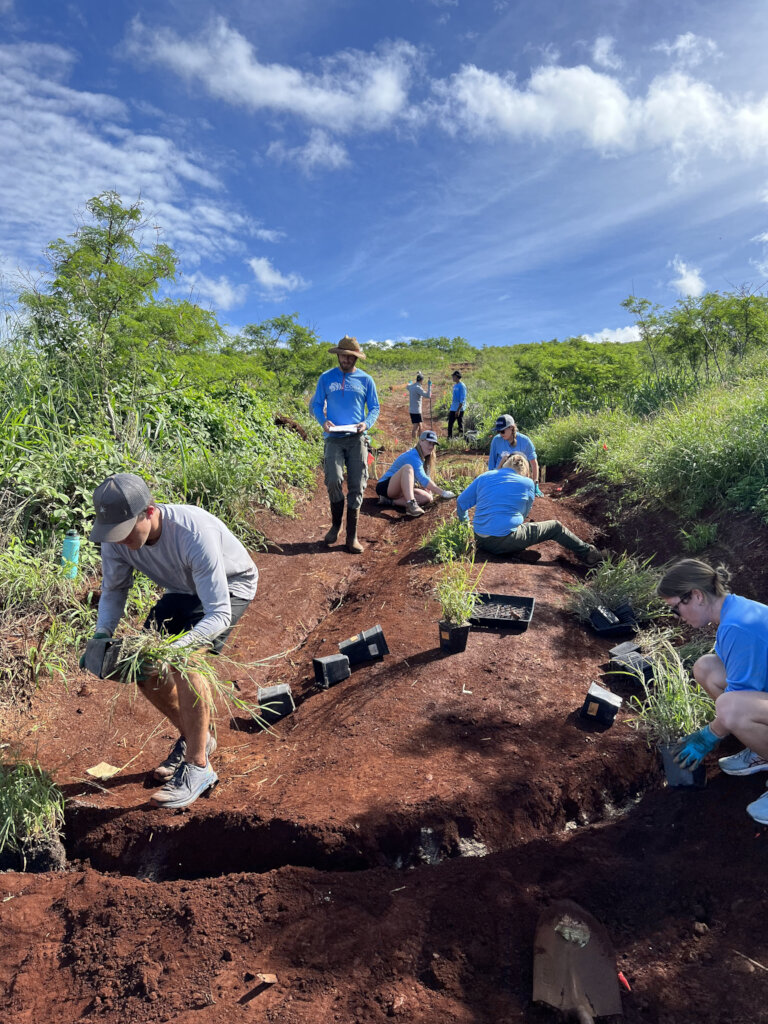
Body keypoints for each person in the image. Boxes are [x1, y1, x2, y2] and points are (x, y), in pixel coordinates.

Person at [83, 472, 258, 809]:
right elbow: (114, 590)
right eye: (113, 535)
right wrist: (102, 635)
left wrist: (174, 649)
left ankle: (197, 766)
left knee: (186, 661)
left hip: (231, 587)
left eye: (126, 532)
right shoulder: (115, 540)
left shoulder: (193, 533)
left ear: (149, 511)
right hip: (182, 589)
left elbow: (219, 612)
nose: (120, 542)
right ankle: (200, 738)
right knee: (142, 666)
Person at [657, 559, 768, 825]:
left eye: (676, 609)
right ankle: (762, 750)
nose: (678, 617)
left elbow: (738, 699)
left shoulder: (737, 626)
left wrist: (708, 735)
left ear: (696, 596)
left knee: (731, 708)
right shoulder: (734, 611)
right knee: (707, 667)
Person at [455, 453, 605, 564]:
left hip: (480, 539)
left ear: (505, 464)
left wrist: (465, 525)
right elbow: (524, 513)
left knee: (511, 531)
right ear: (524, 471)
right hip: (504, 539)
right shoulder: (527, 483)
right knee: (555, 527)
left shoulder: (485, 476)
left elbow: (461, 502)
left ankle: (514, 552)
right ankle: (589, 554)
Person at [310, 335, 380, 554]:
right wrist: (324, 421)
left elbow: (375, 407)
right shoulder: (326, 378)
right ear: (338, 355)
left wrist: (366, 423)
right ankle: (335, 525)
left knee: (358, 485)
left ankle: (352, 537)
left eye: (350, 357)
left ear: (356, 358)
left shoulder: (366, 380)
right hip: (333, 438)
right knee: (332, 479)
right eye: (343, 355)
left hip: (357, 438)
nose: (346, 360)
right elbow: (316, 404)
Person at [375, 430, 455, 517]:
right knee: (408, 468)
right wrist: (443, 493)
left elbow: (426, 480)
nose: (431, 446)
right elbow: (423, 479)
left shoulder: (423, 459)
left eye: (433, 444)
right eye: (429, 443)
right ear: (421, 441)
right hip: (386, 486)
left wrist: (429, 491)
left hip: (401, 489)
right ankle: (411, 505)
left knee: (427, 498)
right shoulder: (412, 456)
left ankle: (389, 501)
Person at [488, 414, 543, 496]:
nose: (500, 434)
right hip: (501, 479)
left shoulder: (525, 441)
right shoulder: (496, 440)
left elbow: (534, 463)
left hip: (520, 480)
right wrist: (491, 481)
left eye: (502, 431)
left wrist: (535, 483)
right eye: (498, 431)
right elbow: (491, 463)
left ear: (511, 428)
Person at [406, 372, 432, 439]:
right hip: (416, 411)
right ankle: (414, 442)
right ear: (421, 380)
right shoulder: (418, 388)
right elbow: (428, 395)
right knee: (416, 427)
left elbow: (407, 386)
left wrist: (410, 382)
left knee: (420, 426)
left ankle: (420, 440)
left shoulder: (411, 387)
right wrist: (429, 385)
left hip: (412, 410)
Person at [447, 370, 466, 438]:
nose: (452, 378)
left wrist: (458, 410)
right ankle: (449, 438)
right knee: (450, 424)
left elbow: (462, 399)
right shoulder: (455, 386)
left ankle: (461, 438)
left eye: (453, 376)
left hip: (459, 409)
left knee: (460, 424)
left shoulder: (462, 386)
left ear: (457, 377)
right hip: (453, 407)